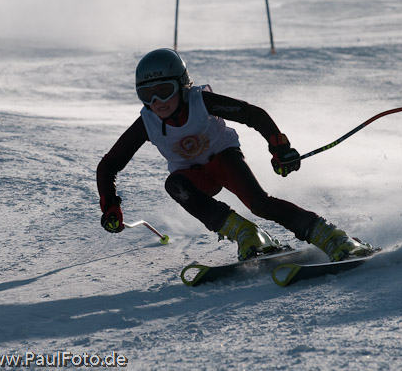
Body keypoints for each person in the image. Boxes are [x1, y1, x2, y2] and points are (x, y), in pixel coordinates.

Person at [96, 48, 373, 261]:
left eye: (164, 91)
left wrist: (279, 147)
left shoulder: (201, 102)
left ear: (182, 85)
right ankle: (248, 235)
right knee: (175, 185)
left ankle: (334, 238)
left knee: (260, 204)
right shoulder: (148, 121)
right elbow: (109, 165)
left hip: (224, 159)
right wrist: (111, 204)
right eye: (147, 95)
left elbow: (253, 114)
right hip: (194, 178)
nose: (157, 103)